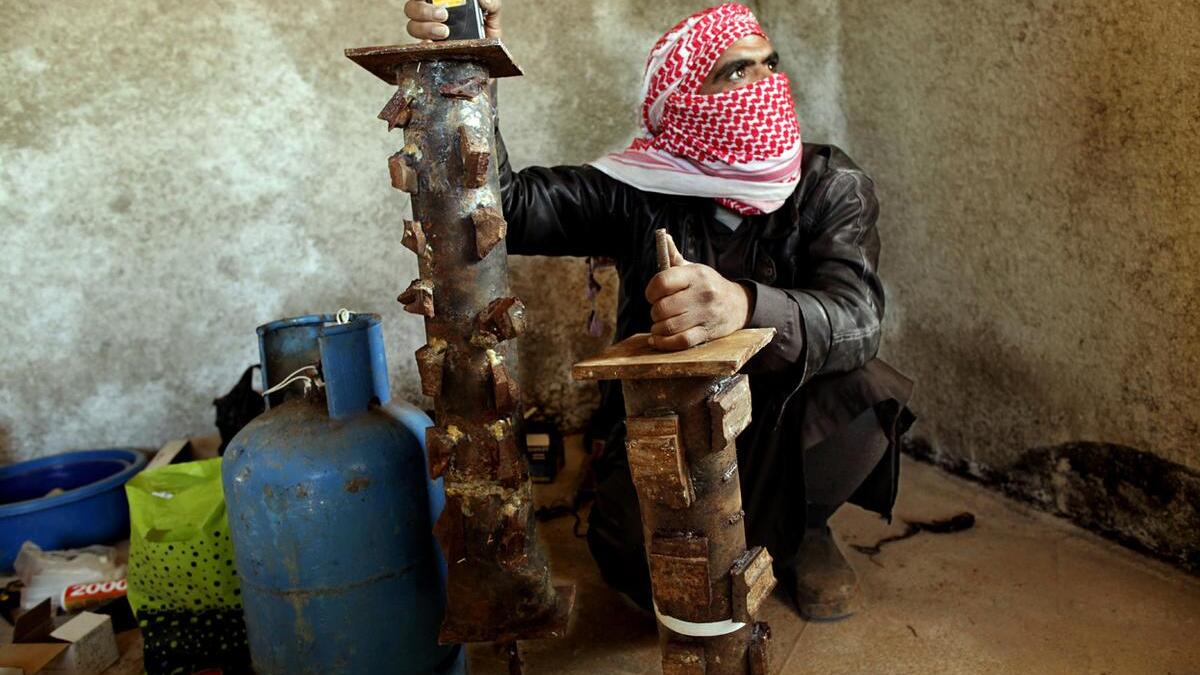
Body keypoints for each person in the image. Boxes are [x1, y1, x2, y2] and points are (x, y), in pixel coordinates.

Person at [405, 0, 914, 621]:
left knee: (866, 392)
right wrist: (466, 67)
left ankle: (804, 527)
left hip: (785, 416)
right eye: (735, 72)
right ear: (682, 101)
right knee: (636, 571)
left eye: (769, 65)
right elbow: (505, 205)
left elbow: (858, 318)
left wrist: (745, 304)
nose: (766, 85)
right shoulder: (639, 188)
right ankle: (749, 531)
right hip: (670, 423)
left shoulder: (831, 185)